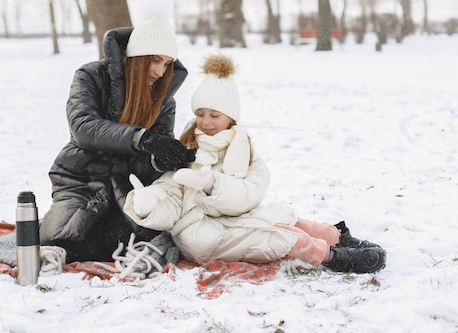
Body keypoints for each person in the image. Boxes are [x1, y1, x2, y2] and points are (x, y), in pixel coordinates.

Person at [123, 54, 386, 274]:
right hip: (200, 232)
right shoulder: (187, 147)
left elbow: (250, 196)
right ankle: (331, 257)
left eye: (215, 115)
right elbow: (172, 194)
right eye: (200, 114)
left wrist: (212, 184)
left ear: (231, 118)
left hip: (236, 216)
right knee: (276, 235)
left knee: (282, 216)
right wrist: (151, 203)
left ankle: (337, 237)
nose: (205, 122)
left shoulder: (243, 150)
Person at [39, 13, 196, 263]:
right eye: (155, 60)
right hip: (80, 178)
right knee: (60, 239)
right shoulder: (90, 75)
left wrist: (161, 160)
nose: (160, 71)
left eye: (167, 63)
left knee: (127, 243)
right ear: (136, 55)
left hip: (126, 184)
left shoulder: (164, 102)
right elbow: (83, 127)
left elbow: (143, 167)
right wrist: (141, 138)